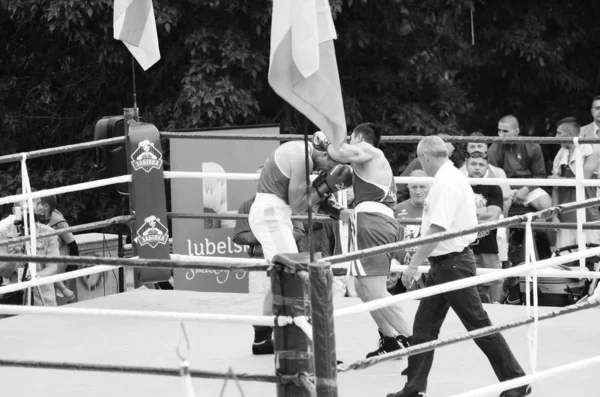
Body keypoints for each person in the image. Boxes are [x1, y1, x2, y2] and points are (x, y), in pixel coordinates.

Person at [389, 136, 529, 397]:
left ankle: (517, 381)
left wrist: (412, 265)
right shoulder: (453, 177)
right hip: (446, 264)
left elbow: (438, 230)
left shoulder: (445, 183)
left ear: (425, 157)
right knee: (423, 329)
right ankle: (414, 387)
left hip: (452, 264)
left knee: (478, 325)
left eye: (419, 159)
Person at [315, 123, 412, 358]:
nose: (347, 141)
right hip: (371, 222)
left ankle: (417, 342)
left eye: (350, 138)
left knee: (376, 291)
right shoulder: (371, 164)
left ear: (358, 137)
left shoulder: (370, 150)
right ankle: (390, 340)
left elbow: (339, 154)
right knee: (362, 288)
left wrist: (324, 138)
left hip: (373, 223)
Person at [248, 140, 351, 355]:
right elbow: (298, 204)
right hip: (271, 216)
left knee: (283, 275)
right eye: (327, 168)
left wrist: (332, 204)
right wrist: (324, 187)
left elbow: (303, 198)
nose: (324, 172)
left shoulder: (301, 151)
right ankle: (303, 339)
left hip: (274, 214)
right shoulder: (302, 157)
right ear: (327, 156)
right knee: (295, 275)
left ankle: (262, 339)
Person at [233, 165, 305, 354]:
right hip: (259, 259)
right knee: (291, 279)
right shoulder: (249, 205)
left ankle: (261, 339)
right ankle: (299, 342)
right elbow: (239, 235)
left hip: (274, 242)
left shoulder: (285, 201)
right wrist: (265, 235)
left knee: (279, 283)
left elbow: (299, 229)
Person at [0, 198, 60, 308]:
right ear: (15, 211)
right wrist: (15, 254)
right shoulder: (4, 234)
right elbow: (5, 273)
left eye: (32, 209)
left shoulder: (47, 232)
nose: (28, 214)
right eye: (25, 210)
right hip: (15, 301)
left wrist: (35, 277)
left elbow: (53, 267)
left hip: (44, 300)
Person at [551, 117, 600, 247]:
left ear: (571, 134)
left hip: (588, 217)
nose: (556, 137)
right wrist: (554, 215)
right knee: (565, 263)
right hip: (565, 218)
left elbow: (583, 180)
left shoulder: (592, 151)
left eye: (559, 133)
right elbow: (555, 188)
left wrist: (559, 180)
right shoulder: (560, 154)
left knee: (591, 261)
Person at [487, 115, 551, 213]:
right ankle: (505, 229)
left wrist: (526, 189)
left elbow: (540, 176)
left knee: (548, 206)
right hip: (505, 188)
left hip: (529, 187)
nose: (500, 135)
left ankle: (554, 227)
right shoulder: (494, 148)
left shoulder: (533, 146)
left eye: (505, 131)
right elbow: (492, 178)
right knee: (500, 208)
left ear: (516, 131)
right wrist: (506, 191)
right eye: (499, 131)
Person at [465, 151, 504, 303]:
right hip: (463, 245)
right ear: (466, 165)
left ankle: (498, 310)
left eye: (481, 165)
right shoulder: (459, 186)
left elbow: (493, 215)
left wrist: (468, 217)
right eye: (473, 164)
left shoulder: (493, 187)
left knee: (495, 280)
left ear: (487, 167)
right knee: (462, 283)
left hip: (488, 243)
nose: (477, 168)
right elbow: (455, 216)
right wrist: (482, 212)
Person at [388, 170, 430, 295]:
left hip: (427, 265)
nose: (418, 191)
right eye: (414, 187)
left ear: (430, 186)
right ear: (408, 187)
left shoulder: (436, 209)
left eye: (422, 187)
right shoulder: (397, 209)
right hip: (399, 267)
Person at [35, 194, 80, 303]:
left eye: (38, 203)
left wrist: (70, 273)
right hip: (48, 271)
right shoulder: (38, 222)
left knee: (66, 301)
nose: (36, 207)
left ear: (45, 206)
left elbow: (73, 246)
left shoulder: (59, 222)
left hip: (62, 271)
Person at [397, 133, 455, 203]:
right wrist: (410, 208)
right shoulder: (418, 162)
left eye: (446, 155)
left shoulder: (451, 172)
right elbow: (399, 189)